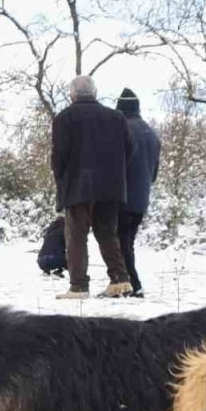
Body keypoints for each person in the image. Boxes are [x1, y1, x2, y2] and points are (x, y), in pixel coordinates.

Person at [50, 76, 134, 299]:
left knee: (76, 236)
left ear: (72, 94)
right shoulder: (116, 118)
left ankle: (79, 286)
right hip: (110, 187)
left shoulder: (64, 118)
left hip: (77, 186)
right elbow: (130, 149)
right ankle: (120, 280)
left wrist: (62, 179)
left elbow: (59, 156)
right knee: (108, 233)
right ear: (94, 93)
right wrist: (115, 173)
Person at [115, 88, 161, 298]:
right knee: (127, 242)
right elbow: (154, 173)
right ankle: (126, 283)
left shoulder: (121, 131)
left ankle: (131, 284)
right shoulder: (151, 134)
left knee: (121, 243)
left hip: (122, 196)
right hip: (142, 197)